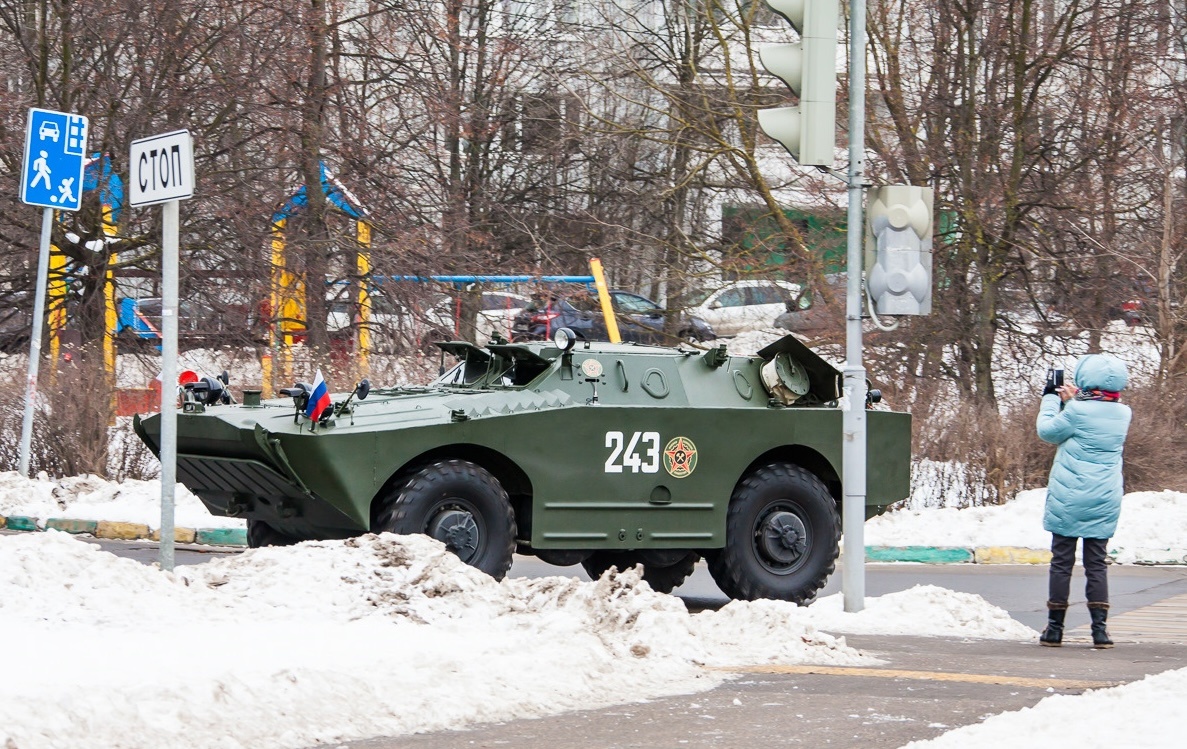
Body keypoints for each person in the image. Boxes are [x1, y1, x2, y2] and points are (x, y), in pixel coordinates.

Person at [1035, 354, 1131, 648]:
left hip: (1069, 497)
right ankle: (1100, 631)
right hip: (1104, 498)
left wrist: (1052, 398)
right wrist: (1074, 401)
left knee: (1062, 562)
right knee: (1096, 564)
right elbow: (1093, 415)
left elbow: (1048, 431)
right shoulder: (1124, 413)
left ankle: (1054, 630)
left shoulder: (1076, 411)